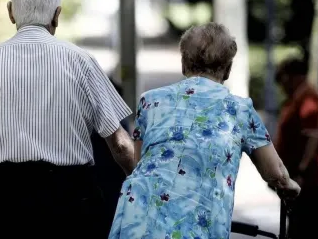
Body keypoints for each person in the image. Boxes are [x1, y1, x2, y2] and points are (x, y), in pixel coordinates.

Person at [0, 0, 135, 239]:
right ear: (56, 15)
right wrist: (139, 184)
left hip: (5, 203)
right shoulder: (81, 62)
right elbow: (120, 144)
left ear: (11, 12)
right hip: (72, 199)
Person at [108, 22, 300, 239]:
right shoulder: (239, 109)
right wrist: (290, 186)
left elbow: (138, 162)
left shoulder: (150, 101)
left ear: (183, 63)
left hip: (138, 220)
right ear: (227, 69)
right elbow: (275, 173)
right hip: (197, 226)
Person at [275, 56, 318, 239]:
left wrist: (302, 171)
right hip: (301, 178)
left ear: (294, 76)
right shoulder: (298, 98)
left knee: (302, 228)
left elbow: (313, 135)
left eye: (283, 78)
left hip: (310, 180)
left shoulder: (308, 99)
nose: (281, 85)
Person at [92, 78, 129, 235]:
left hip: (92, 182)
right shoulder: (118, 123)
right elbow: (123, 147)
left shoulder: (86, 117)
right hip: (115, 180)